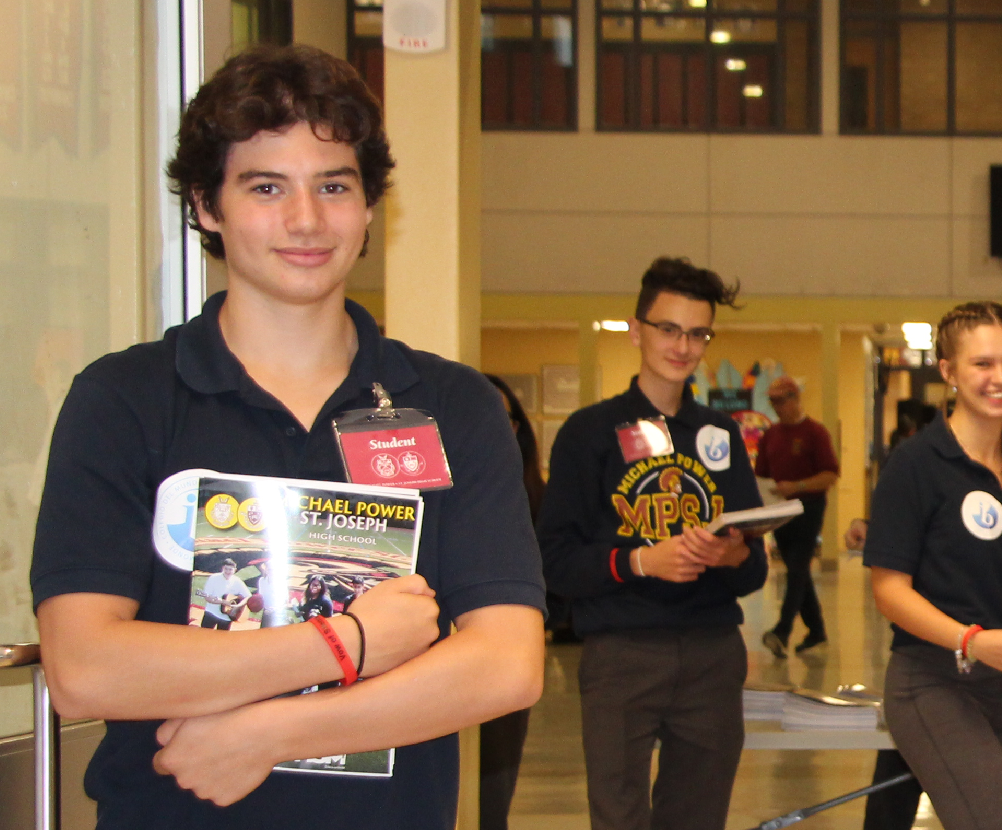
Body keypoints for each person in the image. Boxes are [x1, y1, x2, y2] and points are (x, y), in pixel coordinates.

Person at [31, 44, 546, 826]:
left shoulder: (453, 405)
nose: (305, 219)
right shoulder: (124, 400)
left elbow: (505, 664)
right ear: (207, 205)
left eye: (333, 186)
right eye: (266, 186)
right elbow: (84, 667)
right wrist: (348, 643)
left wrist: (270, 733)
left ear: (369, 206)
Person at [539, 256, 770, 830]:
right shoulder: (589, 433)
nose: (683, 346)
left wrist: (732, 554)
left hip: (712, 653)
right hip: (621, 652)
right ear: (636, 328)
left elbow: (753, 570)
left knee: (698, 816)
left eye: (697, 333)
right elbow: (555, 562)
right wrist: (644, 560)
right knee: (618, 816)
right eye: (669, 328)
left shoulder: (719, 435)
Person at [866, 301, 1002, 830]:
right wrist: (972, 639)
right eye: (982, 364)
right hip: (932, 684)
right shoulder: (916, 465)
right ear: (948, 372)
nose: (1001, 378)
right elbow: (889, 591)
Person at [478, 374, 546, 830]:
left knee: (492, 798)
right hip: (422, 665)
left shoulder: (534, 498)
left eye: (503, 419)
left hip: (500, 667)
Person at [759, 375, 839, 656]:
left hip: (808, 509)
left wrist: (798, 486)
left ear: (795, 398)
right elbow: (762, 475)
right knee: (799, 571)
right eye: (772, 402)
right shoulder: (770, 435)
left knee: (795, 568)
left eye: (781, 401)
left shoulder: (815, 433)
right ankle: (816, 631)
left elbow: (830, 475)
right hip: (779, 511)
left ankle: (782, 631)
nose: (777, 407)